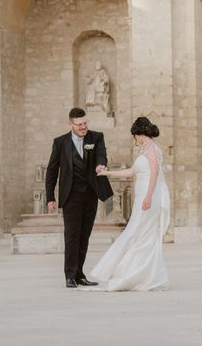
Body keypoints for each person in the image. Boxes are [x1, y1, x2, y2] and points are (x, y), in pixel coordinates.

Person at [85, 116, 170, 291]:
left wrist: (148, 197)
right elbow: (132, 172)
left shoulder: (151, 149)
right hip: (143, 196)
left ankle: (134, 273)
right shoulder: (146, 150)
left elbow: (155, 174)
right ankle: (139, 273)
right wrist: (107, 173)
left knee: (137, 232)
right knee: (139, 233)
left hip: (148, 196)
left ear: (140, 134)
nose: (135, 140)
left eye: (135, 136)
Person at [45, 107, 114, 288]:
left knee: (84, 236)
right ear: (71, 124)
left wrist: (101, 164)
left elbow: (101, 154)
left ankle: (80, 274)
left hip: (90, 194)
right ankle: (69, 275)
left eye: (85, 123)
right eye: (79, 125)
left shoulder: (96, 137)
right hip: (71, 196)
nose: (83, 127)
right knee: (72, 236)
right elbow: (52, 170)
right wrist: (50, 196)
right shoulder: (60, 143)